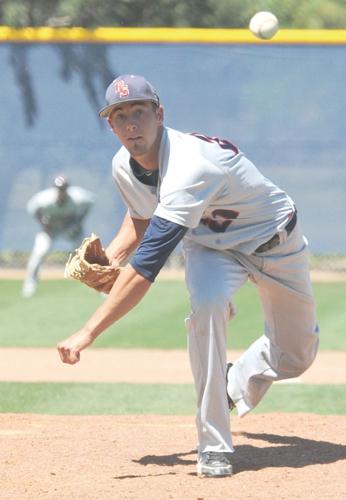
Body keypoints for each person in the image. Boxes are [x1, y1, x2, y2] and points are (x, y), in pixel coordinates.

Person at [57, 74, 319, 477]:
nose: (130, 123)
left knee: (297, 356)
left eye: (139, 112)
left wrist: (87, 332)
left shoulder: (190, 164)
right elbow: (143, 219)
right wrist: (114, 256)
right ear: (110, 125)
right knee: (207, 309)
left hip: (276, 242)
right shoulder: (123, 166)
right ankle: (213, 445)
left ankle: (233, 383)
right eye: (119, 115)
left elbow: (148, 266)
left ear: (159, 114)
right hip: (212, 249)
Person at [22, 175, 95, 298]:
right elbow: (32, 208)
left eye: (63, 188)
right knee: (40, 252)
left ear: (67, 189)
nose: (61, 191)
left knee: (86, 253)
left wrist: (79, 221)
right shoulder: (44, 199)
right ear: (54, 188)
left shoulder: (78, 197)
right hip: (51, 230)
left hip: (71, 229)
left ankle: (97, 282)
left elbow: (91, 202)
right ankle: (30, 283)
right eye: (59, 188)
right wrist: (42, 222)